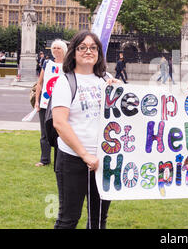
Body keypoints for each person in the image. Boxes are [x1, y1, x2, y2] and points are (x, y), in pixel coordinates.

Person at [51, 30, 118, 229]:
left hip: (103, 159)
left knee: (98, 220)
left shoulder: (106, 79)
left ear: (98, 53)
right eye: (82, 47)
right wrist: (85, 155)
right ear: (74, 52)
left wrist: (120, 89)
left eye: (93, 48)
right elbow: (60, 123)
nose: (88, 51)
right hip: (73, 159)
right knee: (68, 219)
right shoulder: (65, 81)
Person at [34, 40, 67, 167]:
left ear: (64, 49)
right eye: (54, 48)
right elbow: (40, 83)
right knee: (45, 133)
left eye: (59, 48)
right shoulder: (47, 63)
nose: (56, 50)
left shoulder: (69, 65)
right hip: (45, 103)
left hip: (61, 104)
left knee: (61, 132)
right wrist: (37, 101)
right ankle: (44, 159)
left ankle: (60, 160)